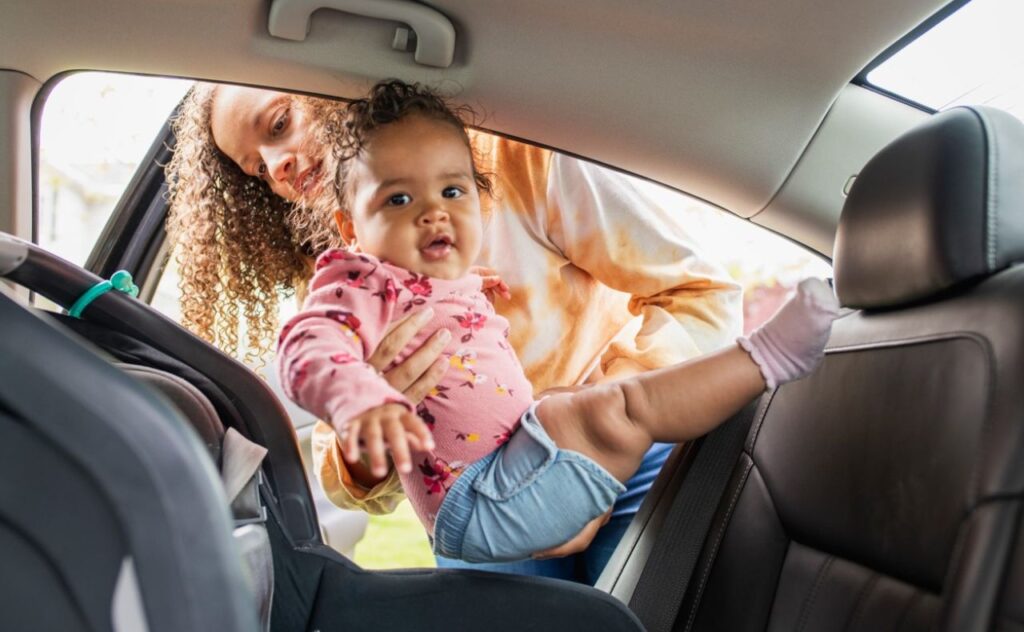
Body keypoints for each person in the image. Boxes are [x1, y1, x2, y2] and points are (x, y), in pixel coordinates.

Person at [166, 81, 743, 582]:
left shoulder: (523, 159)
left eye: (280, 124)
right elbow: (351, 480)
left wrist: (598, 435)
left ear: (326, 84)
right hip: (482, 509)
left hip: (623, 455)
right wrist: (368, 431)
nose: (276, 164)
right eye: (257, 167)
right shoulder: (345, 272)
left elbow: (702, 295)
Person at [274, 79, 839, 563]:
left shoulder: (438, 274)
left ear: (480, 195)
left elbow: (699, 291)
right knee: (619, 408)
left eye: (452, 191)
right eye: (397, 200)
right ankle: (767, 358)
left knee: (586, 411)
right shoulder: (354, 281)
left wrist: (472, 291)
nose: (432, 210)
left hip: (508, 469)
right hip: (481, 498)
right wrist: (359, 397)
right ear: (349, 228)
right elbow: (306, 346)